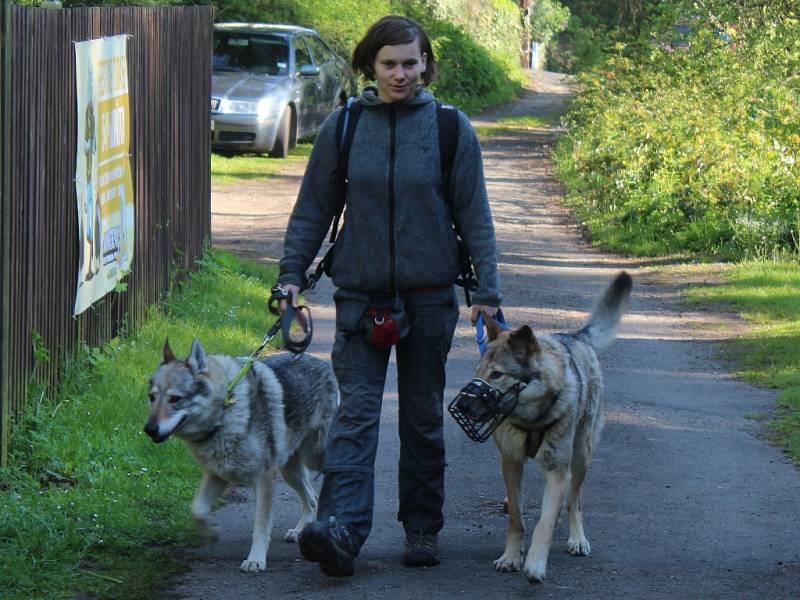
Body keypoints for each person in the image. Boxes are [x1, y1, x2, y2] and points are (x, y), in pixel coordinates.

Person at [275, 14, 501, 577]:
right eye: (389, 64)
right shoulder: (344, 126)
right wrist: (290, 275)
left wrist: (488, 291)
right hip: (360, 297)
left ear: (426, 63)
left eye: (410, 62)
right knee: (353, 417)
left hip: (429, 299)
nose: (401, 74)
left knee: (422, 416)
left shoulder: (451, 129)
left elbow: (476, 217)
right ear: (369, 66)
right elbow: (313, 209)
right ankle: (340, 532)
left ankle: (422, 527)